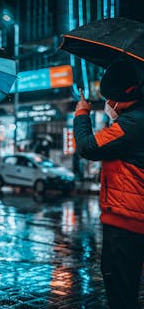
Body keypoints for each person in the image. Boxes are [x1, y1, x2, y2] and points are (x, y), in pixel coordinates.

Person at [73, 60, 144, 309]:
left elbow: (87, 147)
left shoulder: (133, 123)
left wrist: (82, 114)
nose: (108, 104)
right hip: (129, 218)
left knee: (121, 293)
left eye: (110, 98)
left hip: (127, 223)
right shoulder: (133, 119)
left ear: (125, 96)